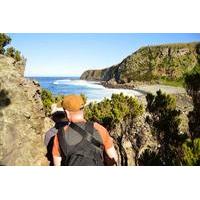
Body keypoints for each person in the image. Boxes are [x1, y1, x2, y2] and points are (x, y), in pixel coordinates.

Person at [52, 94, 118, 166]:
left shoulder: (60, 135)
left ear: (67, 113)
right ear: (83, 109)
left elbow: (57, 164)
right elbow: (113, 158)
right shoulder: (100, 129)